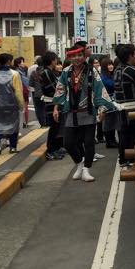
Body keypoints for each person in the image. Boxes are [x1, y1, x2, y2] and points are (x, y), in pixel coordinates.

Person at [53, 42, 116, 182]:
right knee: (68, 143)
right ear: (70, 57)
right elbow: (60, 89)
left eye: (80, 55)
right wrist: (56, 107)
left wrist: (103, 108)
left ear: (84, 56)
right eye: (74, 56)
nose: (77, 58)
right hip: (71, 112)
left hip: (88, 111)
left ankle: (86, 170)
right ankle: (79, 163)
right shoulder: (66, 72)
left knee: (88, 143)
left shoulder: (92, 71)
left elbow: (99, 89)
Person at [113, 43, 135, 167]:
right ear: (130, 56)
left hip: (121, 107)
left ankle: (123, 159)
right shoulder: (130, 70)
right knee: (134, 133)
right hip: (134, 107)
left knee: (124, 133)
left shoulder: (117, 69)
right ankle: (133, 160)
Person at [0, 53, 24, 154]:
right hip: (12, 105)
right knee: (13, 126)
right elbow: (18, 91)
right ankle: (13, 147)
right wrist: (21, 105)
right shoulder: (14, 74)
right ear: (9, 61)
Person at [40, 51, 65, 160]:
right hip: (51, 103)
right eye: (55, 59)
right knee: (54, 127)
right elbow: (55, 88)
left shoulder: (51, 72)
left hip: (55, 103)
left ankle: (57, 148)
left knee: (58, 126)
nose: (56, 61)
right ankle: (51, 150)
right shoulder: (46, 72)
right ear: (51, 60)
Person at [97, 56, 118, 148]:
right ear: (104, 66)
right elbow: (112, 85)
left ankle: (112, 140)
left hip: (112, 101)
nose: (111, 66)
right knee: (108, 121)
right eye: (108, 64)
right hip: (106, 101)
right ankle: (109, 141)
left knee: (112, 121)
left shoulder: (110, 75)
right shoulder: (103, 77)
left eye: (111, 64)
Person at [28, 56, 46, 127]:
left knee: (38, 109)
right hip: (47, 93)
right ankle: (47, 122)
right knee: (46, 108)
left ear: (37, 63)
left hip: (37, 94)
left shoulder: (34, 73)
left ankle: (42, 123)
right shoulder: (47, 71)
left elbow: (31, 84)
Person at [13, 56, 30, 127]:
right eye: (22, 62)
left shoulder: (20, 71)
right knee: (25, 107)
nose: (24, 63)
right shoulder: (19, 72)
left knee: (22, 107)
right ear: (18, 64)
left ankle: (24, 122)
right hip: (23, 90)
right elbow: (26, 82)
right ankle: (25, 123)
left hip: (21, 90)